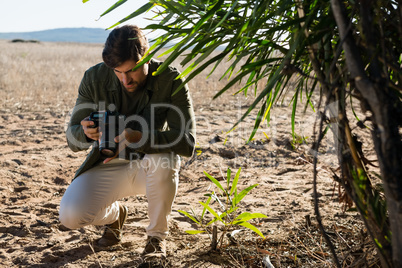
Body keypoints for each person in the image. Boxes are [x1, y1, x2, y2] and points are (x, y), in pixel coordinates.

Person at [59, 25, 196, 259]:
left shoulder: (171, 78)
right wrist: (85, 134)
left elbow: (187, 142)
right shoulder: (93, 77)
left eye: (131, 71)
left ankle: (155, 241)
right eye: (117, 72)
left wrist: (142, 138)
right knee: (71, 216)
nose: (125, 80)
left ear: (148, 56)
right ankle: (116, 215)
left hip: (151, 167)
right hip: (108, 163)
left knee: (165, 154)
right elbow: (72, 138)